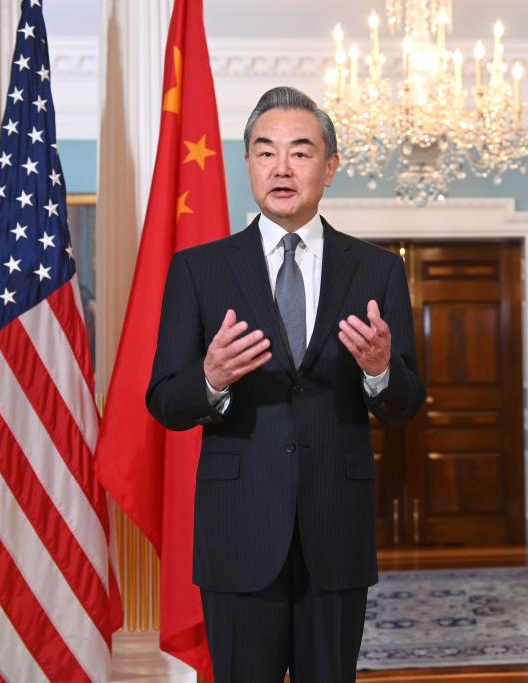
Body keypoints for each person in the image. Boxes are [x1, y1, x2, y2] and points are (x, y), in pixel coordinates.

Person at [146, 86, 426, 682]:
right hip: (239, 530)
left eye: (300, 152)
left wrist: (379, 370)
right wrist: (209, 377)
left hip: (336, 528)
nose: (280, 167)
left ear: (330, 166)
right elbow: (166, 400)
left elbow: (406, 404)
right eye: (263, 151)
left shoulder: (377, 269)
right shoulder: (200, 269)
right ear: (247, 163)